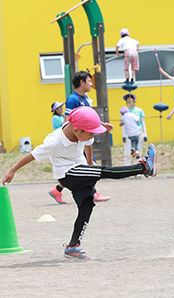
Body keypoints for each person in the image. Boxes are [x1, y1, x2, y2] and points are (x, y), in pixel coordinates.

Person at [2, 106, 157, 260]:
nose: (92, 136)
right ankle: (143, 167)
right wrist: (12, 170)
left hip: (80, 167)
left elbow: (87, 139)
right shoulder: (54, 142)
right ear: (77, 131)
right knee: (103, 171)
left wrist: (91, 158)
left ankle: (73, 246)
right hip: (68, 174)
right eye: (90, 132)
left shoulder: (80, 131)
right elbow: (32, 155)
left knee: (87, 205)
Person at [49, 71, 111, 204]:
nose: (90, 84)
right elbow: (69, 120)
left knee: (82, 167)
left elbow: (87, 119)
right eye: (89, 81)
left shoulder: (86, 98)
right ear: (82, 82)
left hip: (85, 137)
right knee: (90, 165)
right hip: (78, 139)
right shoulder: (73, 99)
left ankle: (57, 190)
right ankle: (93, 193)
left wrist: (101, 124)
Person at [123, 93, 148, 160]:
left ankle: (138, 167)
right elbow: (123, 125)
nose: (129, 99)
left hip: (138, 131)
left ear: (134, 100)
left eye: (131, 98)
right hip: (129, 133)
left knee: (138, 150)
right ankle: (127, 167)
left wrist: (145, 134)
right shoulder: (125, 111)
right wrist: (124, 136)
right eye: (127, 98)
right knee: (128, 151)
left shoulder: (139, 110)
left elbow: (143, 123)